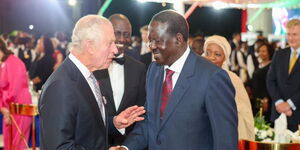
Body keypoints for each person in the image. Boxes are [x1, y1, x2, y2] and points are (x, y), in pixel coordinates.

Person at [113, 10, 238, 150]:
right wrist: (125, 148)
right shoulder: (153, 70)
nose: (152, 46)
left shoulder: (213, 77)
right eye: (150, 41)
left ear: (178, 39)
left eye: (157, 41)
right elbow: (149, 123)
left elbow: (225, 140)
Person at [38, 15, 145, 150]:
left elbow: (86, 127)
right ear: (90, 46)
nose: (115, 49)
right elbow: (59, 147)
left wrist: (114, 123)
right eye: (109, 43)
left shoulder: (86, 75)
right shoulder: (61, 86)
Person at [94, 13, 146, 146]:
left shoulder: (139, 69)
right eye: (117, 33)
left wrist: (128, 146)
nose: (122, 39)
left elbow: (141, 113)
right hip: (95, 143)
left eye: (126, 34)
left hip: (127, 143)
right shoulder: (92, 65)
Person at [203, 35, 255, 141]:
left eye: (217, 54)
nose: (211, 57)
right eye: (208, 53)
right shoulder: (195, 76)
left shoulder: (233, 79)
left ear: (225, 58)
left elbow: (244, 112)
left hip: (223, 134)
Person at [266, 18, 300, 132]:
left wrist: (290, 104)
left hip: (297, 114)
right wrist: (279, 102)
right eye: (288, 34)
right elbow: (270, 80)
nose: (290, 38)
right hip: (278, 113)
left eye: (294, 34)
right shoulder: (279, 54)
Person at [0, 38, 32, 150]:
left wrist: (6, 108)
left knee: (18, 144)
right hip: (9, 108)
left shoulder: (13, 62)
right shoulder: (3, 63)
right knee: (9, 143)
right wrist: (3, 109)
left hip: (19, 108)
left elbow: (15, 89)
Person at [251, 43, 274, 123]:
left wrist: (266, 99)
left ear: (269, 52)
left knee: (265, 122)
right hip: (256, 99)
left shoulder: (272, 66)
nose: (261, 53)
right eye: (260, 51)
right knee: (257, 120)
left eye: (264, 51)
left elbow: (270, 83)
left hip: (265, 100)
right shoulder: (259, 64)